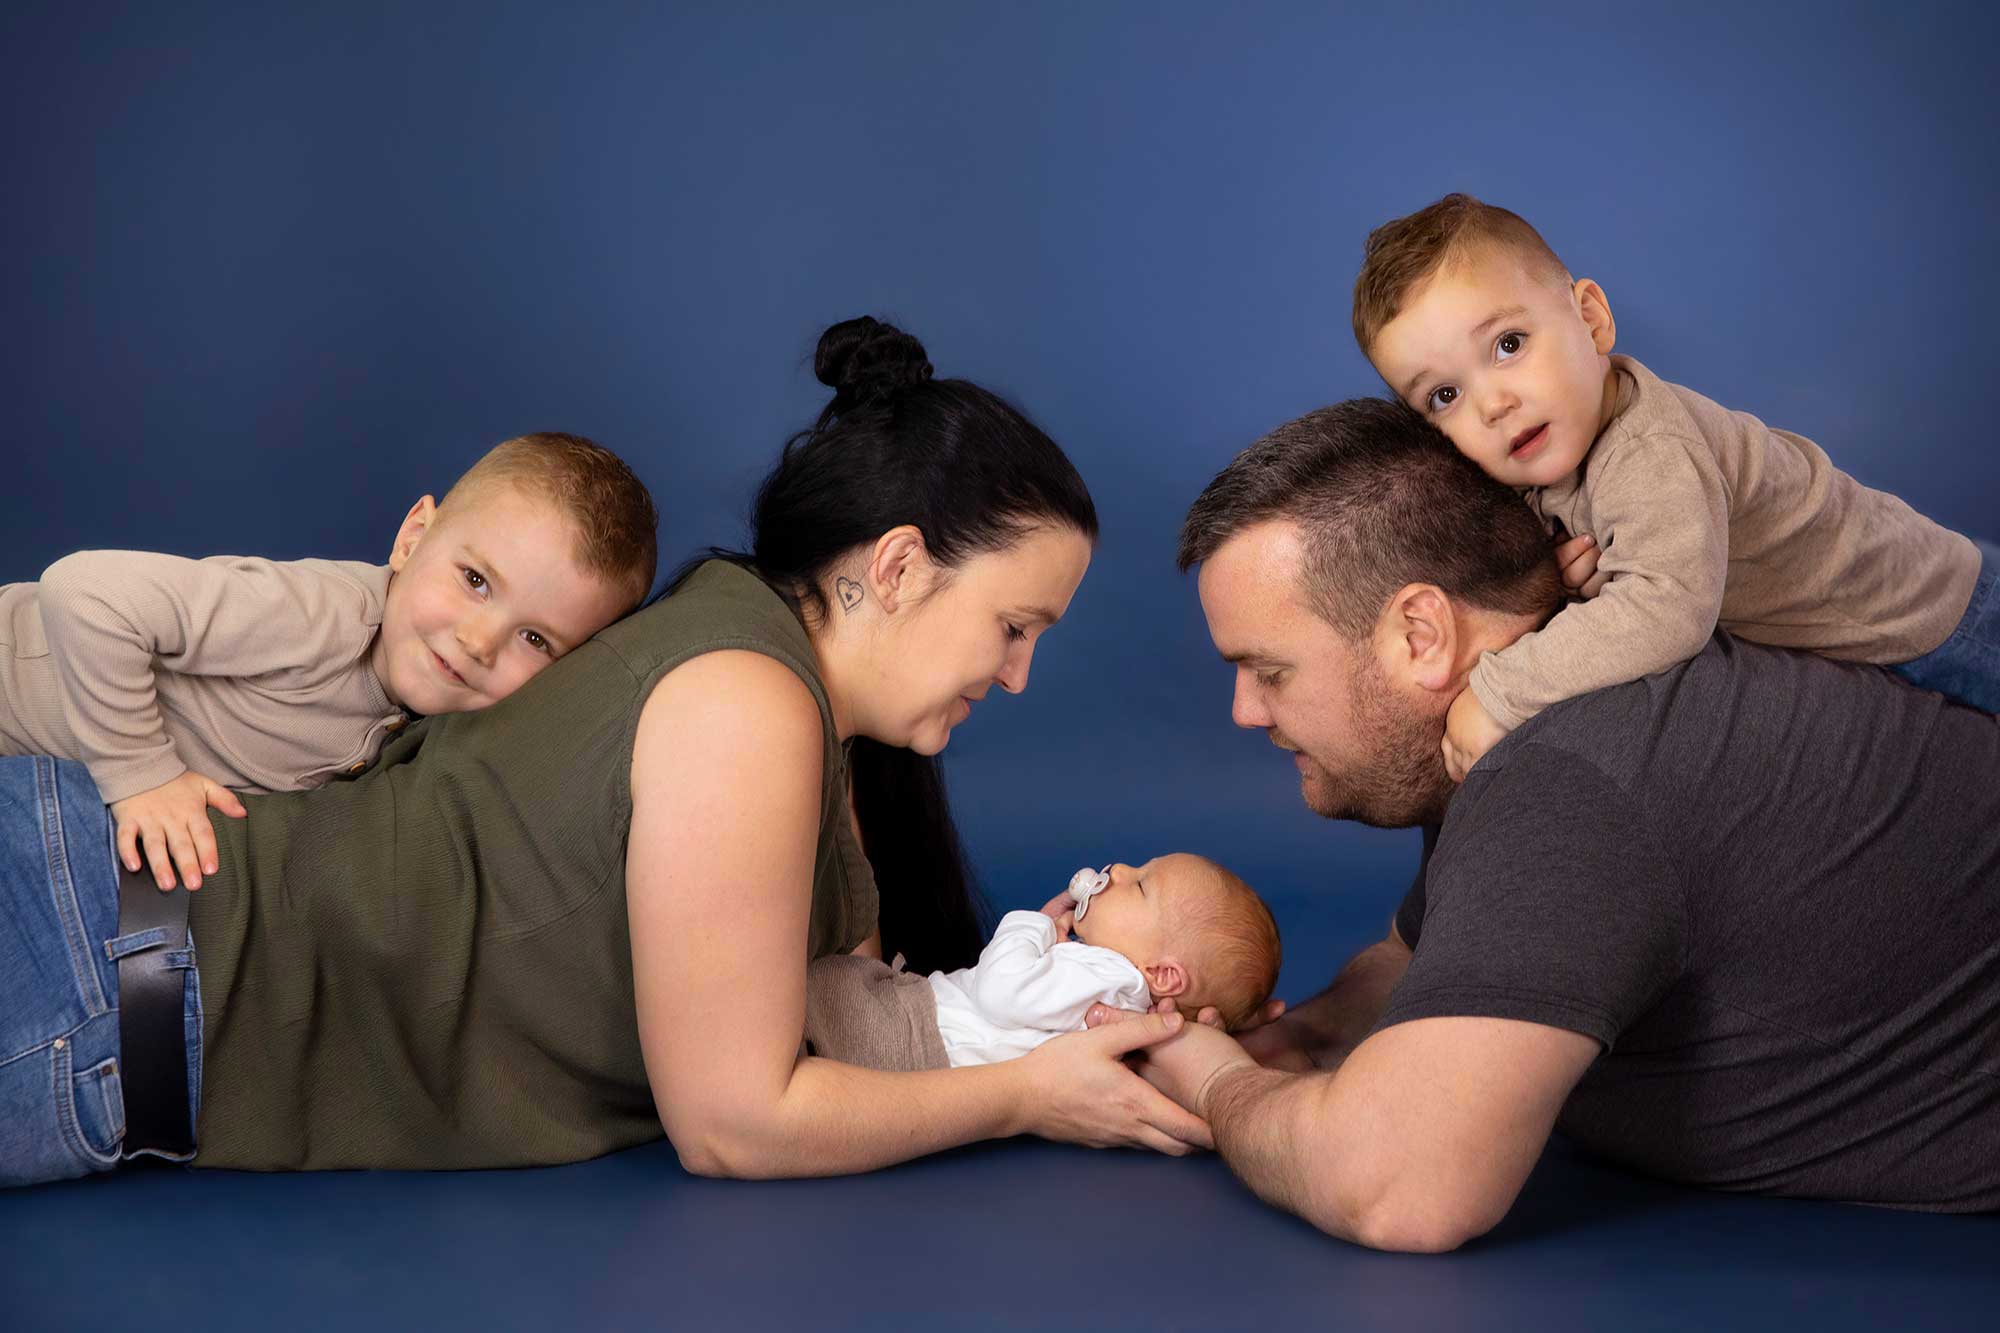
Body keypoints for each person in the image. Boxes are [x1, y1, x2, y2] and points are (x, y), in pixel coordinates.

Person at [0, 316, 1205, 1188]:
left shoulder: (783, 702)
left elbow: (851, 1018)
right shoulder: (743, 703)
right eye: (1013, 626)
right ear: (894, 566)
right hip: (90, 954)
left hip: (108, 963)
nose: (1017, 674)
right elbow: (735, 1122)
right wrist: (1023, 1098)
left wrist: (1071, 987)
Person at [1118, 397, 2000, 1252]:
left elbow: (1396, 1185)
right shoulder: (1521, 701)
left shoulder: (1572, 772)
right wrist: (1290, 1040)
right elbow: (1430, 958)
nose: (1243, 710)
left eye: (1269, 670)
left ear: (1421, 633)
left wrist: (1212, 1081)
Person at [1350, 193, 1997, 780]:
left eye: (1508, 344)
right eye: (1444, 395)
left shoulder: (1650, 448)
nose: (1493, 404)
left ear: (1591, 320)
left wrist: (1498, 693)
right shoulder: (1540, 459)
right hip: (1850, 651)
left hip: (1933, 614)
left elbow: (1666, 609)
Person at [0, 432, 658, 890]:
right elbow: (83, 593)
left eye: (536, 640)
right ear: (413, 537)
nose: (480, 641)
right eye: (476, 580)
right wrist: (144, 777)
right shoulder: (320, 617)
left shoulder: (428, 725)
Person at [803, 853, 1280, 1071]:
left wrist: (1034, 924)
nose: (1116, 870)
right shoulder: (1110, 989)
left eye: (1139, 884)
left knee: (804, 996)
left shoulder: (1111, 976)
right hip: (914, 1022)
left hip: (909, 1038)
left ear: (1161, 974)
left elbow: (1002, 992)